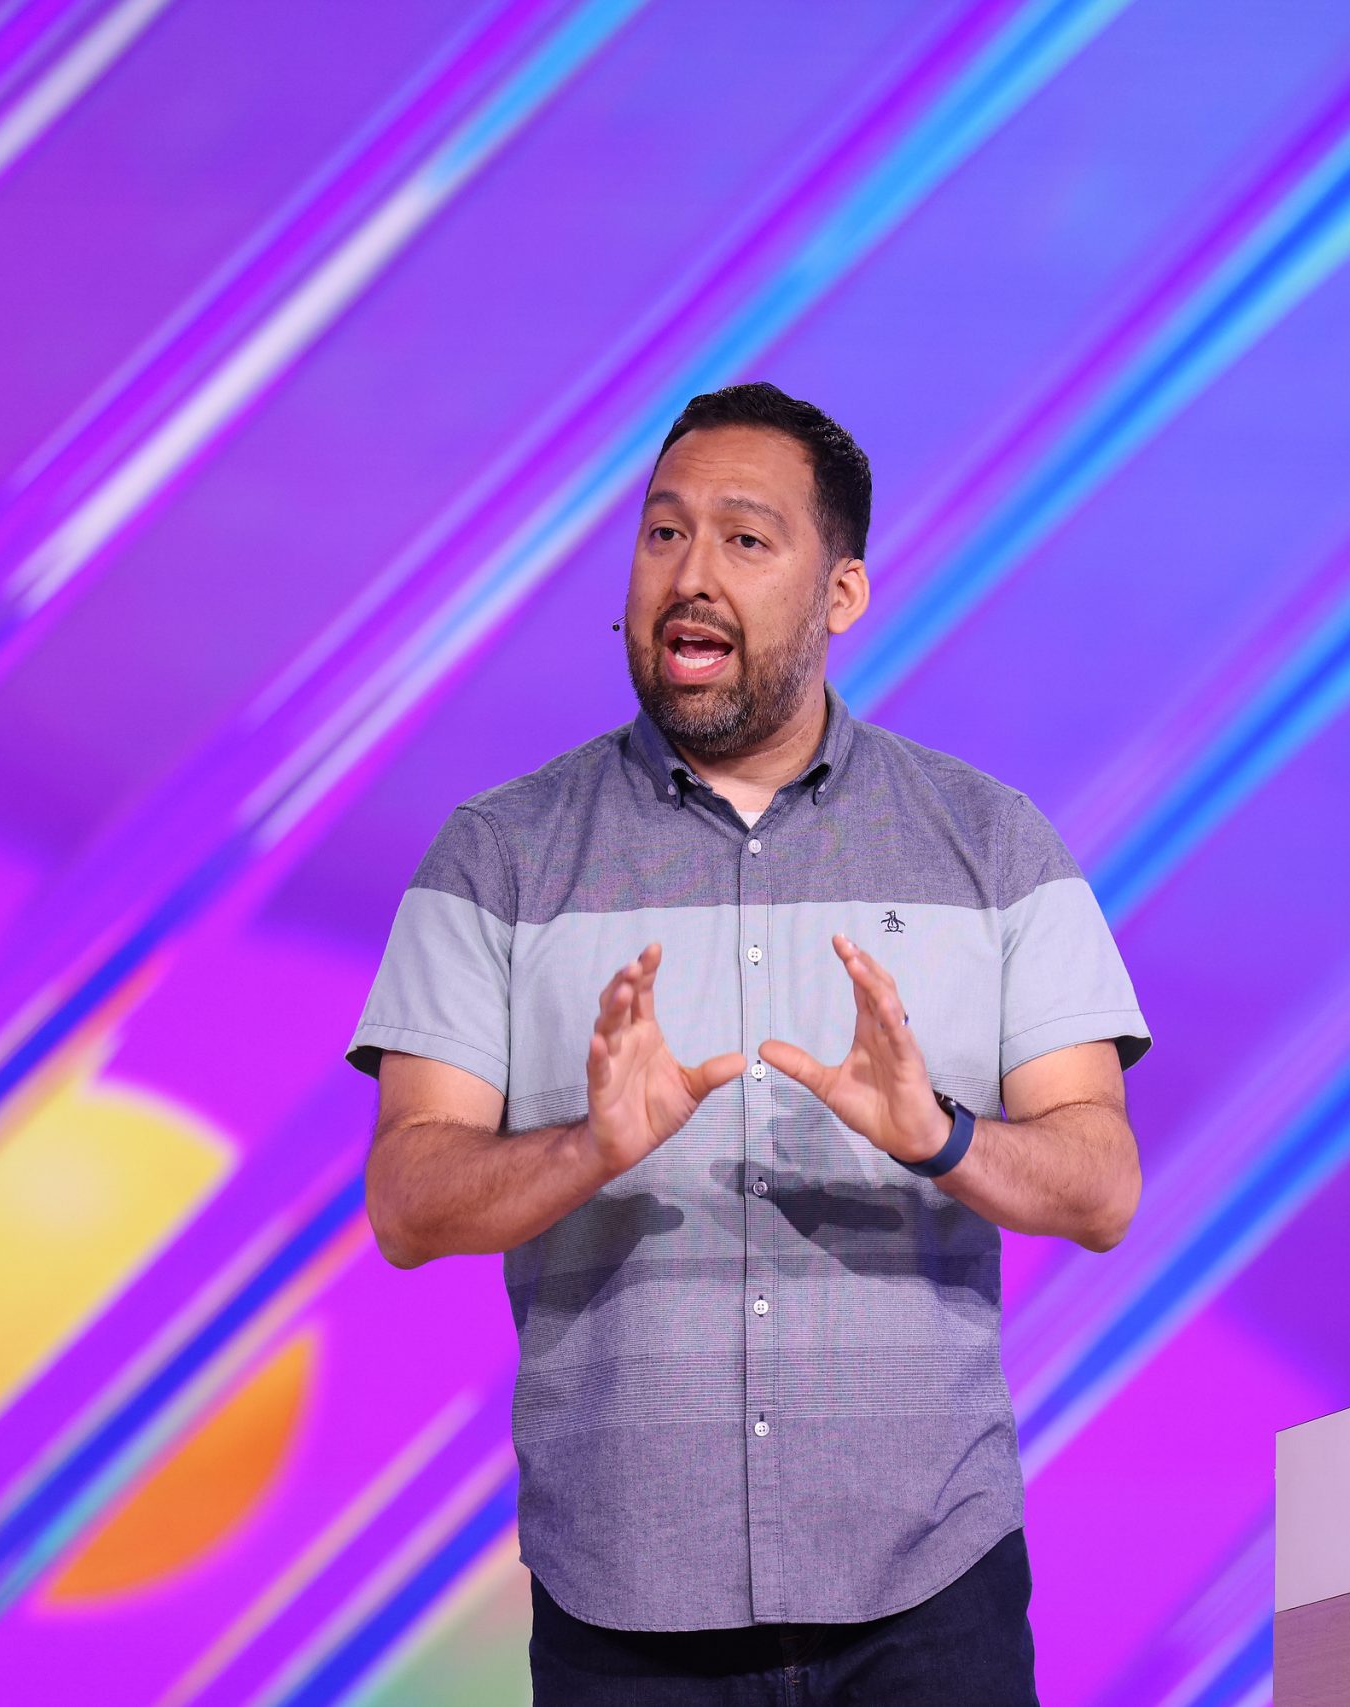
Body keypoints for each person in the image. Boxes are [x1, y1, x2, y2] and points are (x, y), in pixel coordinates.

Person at [346, 381, 1149, 1703]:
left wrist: (939, 1134)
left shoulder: (992, 842)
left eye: (744, 539)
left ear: (840, 597)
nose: (690, 575)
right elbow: (409, 1201)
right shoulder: (500, 855)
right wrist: (587, 1147)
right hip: (623, 1604)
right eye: (663, 534)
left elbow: (1101, 1188)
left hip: (928, 1599)